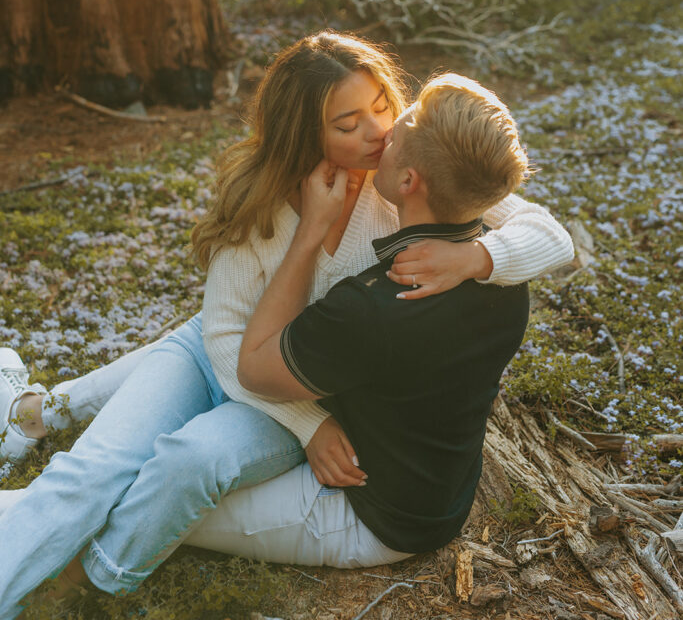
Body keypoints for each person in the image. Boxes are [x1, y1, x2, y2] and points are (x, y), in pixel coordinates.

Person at [0, 33, 573, 617]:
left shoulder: (403, 177)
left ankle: (53, 478)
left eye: (383, 107)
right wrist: (309, 426)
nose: (377, 132)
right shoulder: (263, 196)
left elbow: (550, 234)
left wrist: (479, 257)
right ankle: (31, 421)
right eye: (348, 124)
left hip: (283, 387)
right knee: (90, 472)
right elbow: (223, 337)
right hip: (217, 352)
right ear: (305, 133)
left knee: (183, 462)